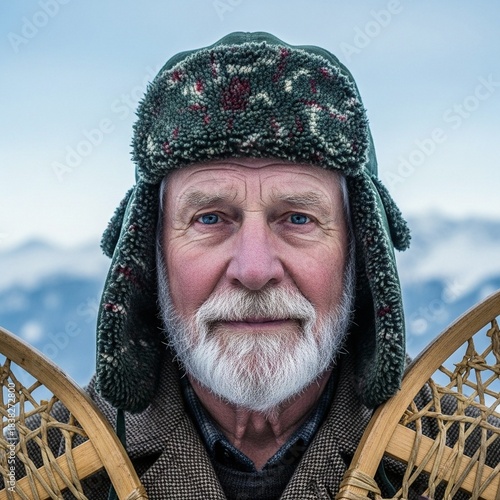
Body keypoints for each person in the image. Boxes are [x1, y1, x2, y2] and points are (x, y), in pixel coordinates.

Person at [88, 31, 413, 499]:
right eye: (210, 218)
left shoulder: (476, 463)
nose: (255, 269)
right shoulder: (29, 471)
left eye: (298, 217)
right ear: (148, 252)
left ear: (360, 250)